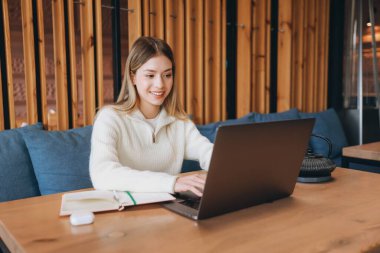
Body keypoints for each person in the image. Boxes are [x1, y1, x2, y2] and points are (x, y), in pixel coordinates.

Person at [89, 36, 213, 197]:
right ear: (133, 77)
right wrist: (172, 183)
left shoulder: (179, 122)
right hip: (126, 212)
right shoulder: (109, 118)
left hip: (170, 210)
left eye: (167, 75)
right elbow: (102, 174)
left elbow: (209, 153)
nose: (160, 84)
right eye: (150, 75)